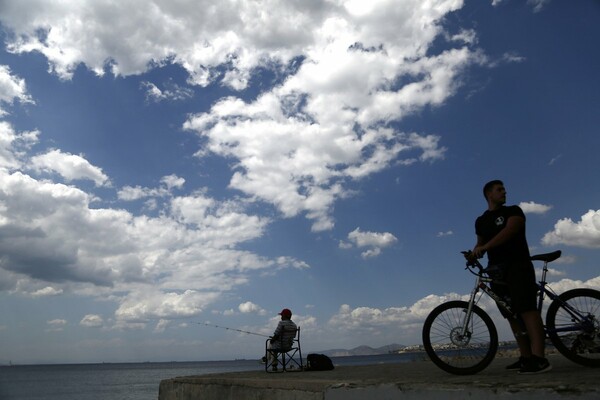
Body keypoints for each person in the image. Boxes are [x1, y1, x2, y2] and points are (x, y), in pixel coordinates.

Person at [471, 180, 551, 374]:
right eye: (500, 189)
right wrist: (474, 254)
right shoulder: (481, 221)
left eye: (504, 189)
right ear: (489, 194)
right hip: (496, 270)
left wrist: (486, 247)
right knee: (510, 314)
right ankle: (525, 357)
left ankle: (539, 358)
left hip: (518, 264)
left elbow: (510, 230)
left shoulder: (513, 211)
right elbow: (479, 243)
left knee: (527, 309)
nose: (504, 192)